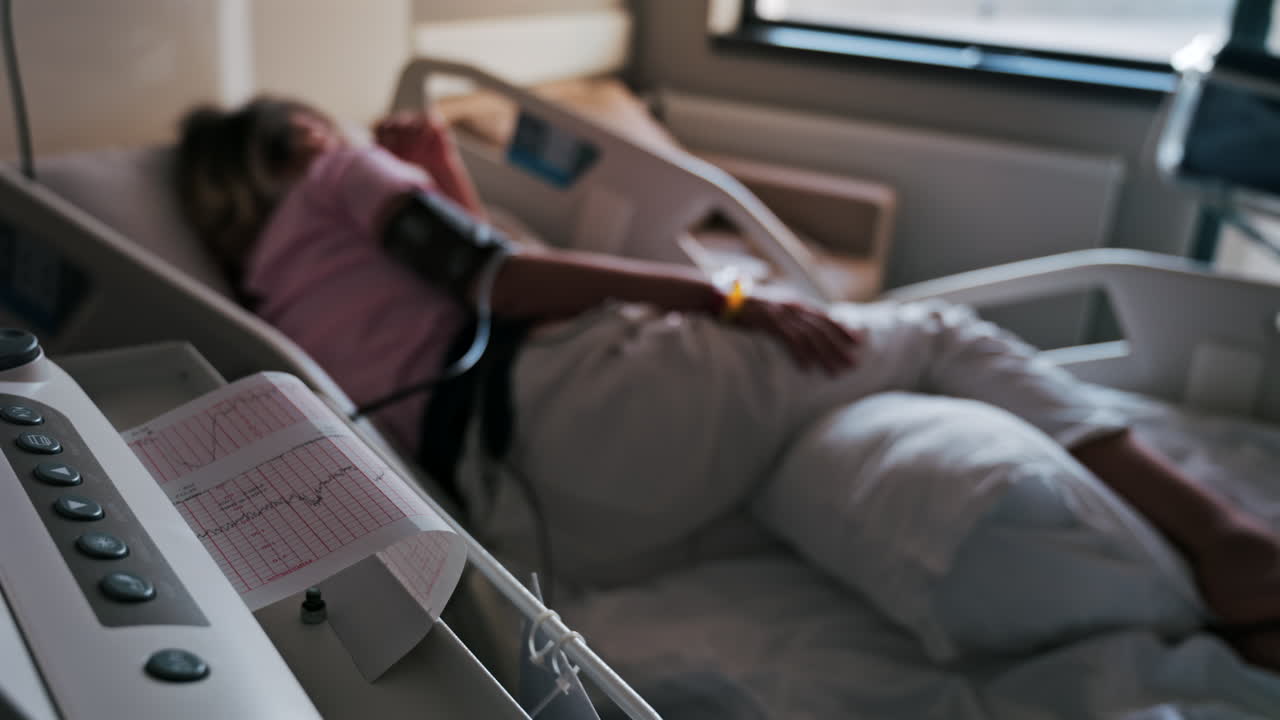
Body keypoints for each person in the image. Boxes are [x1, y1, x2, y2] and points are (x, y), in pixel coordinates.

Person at [173, 96, 1280, 670]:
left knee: (800, 461)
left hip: (544, 519)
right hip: (594, 407)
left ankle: (1187, 608)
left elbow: (451, 299)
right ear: (296, 138)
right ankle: (1221, 537)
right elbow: (500, 281)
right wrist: (727, 299)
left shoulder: (265, 296)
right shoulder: (335, 169)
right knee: (937, 331)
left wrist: (442, 178)